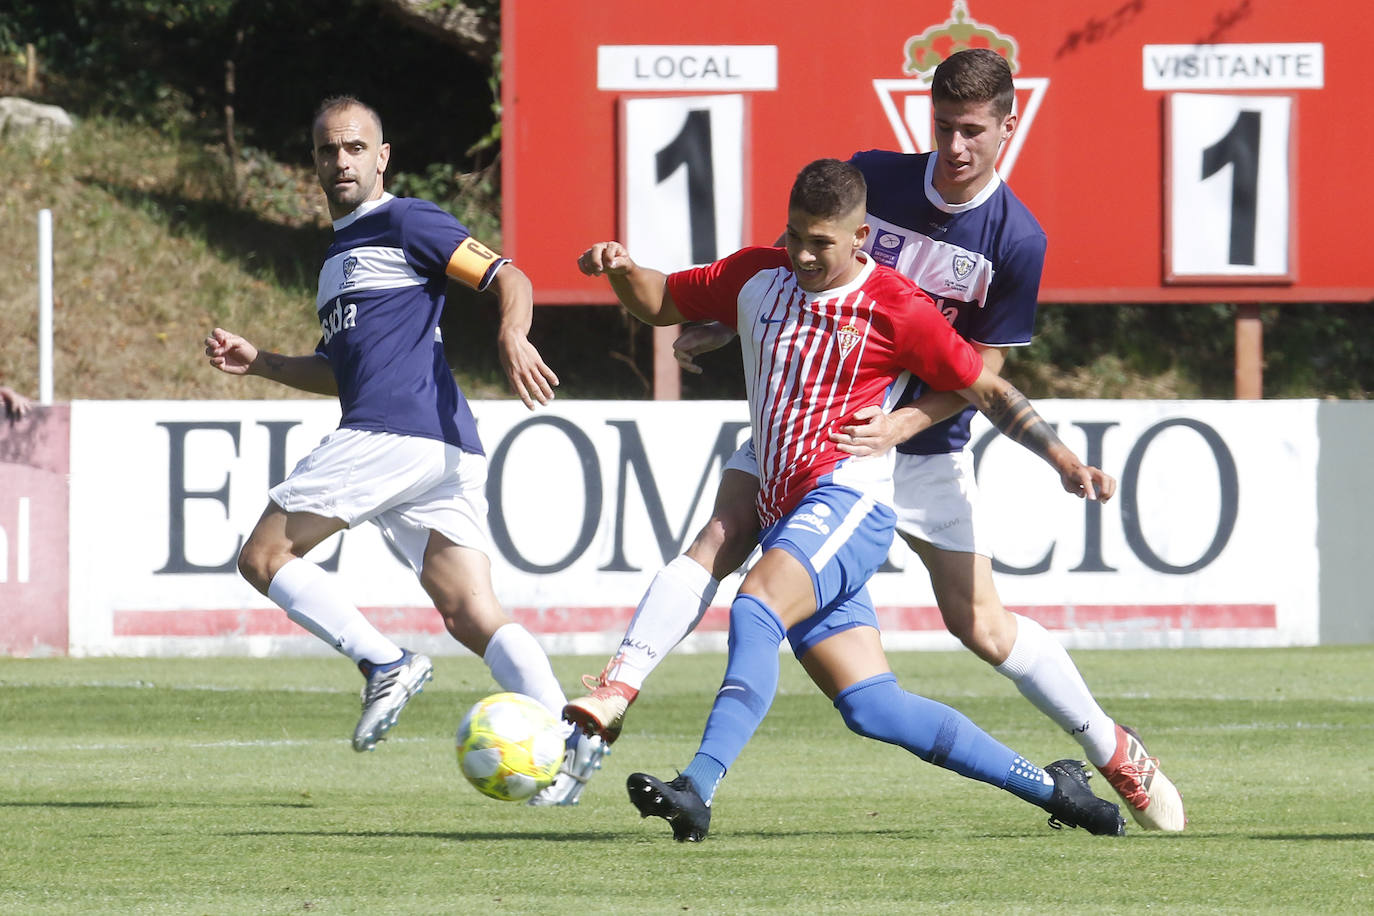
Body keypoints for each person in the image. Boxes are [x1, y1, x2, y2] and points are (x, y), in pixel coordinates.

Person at [565, 48, 1185, 832]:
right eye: (943, 127)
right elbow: (788, 266)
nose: (954, 148)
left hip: (905, 450)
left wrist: (912, 422)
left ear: (1006, 127)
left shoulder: (1015, 238)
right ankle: (618, 691)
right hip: (800, 431)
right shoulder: (869, 182)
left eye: (971, 132)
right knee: (863, 696)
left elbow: (981, 371)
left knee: (980, 627)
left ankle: (1110, 746)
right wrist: (727, 320)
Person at [205, 95, 603, 805]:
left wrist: (511, 333)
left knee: (264, 557)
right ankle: (569, 753)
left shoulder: (407, 219)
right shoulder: (334, 260)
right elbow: (341, 370)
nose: (342, 161)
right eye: (329, 150)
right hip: (440, 446)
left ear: (382, 157)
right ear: (316, 161)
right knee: (470, 611)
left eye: (356, 148)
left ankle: (383, 662)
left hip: (397, 430)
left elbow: (510, 276)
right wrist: (262, 361)